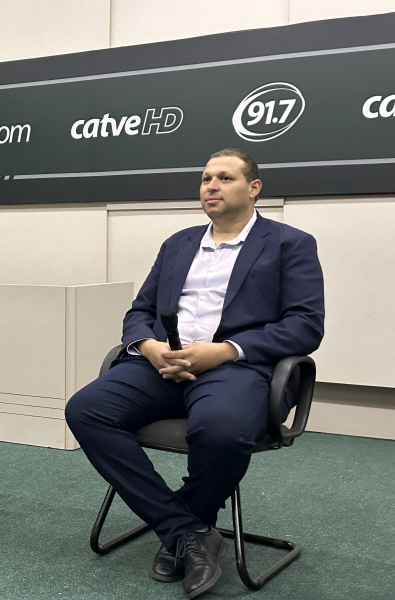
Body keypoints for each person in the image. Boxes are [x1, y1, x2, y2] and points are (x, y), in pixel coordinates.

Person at [65, 149, 324, 598]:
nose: (211, 186)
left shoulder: (289, 243)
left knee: (221, 430)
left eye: (224, 177)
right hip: (162, 363)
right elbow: (140, 311)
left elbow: (305, 324)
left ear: (254, 188)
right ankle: (188, 530)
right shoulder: (178, 243)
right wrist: (149, 347)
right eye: (206, 179)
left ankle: (182, 527)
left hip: (236, 367)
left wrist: (224, 350)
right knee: (85, 409)